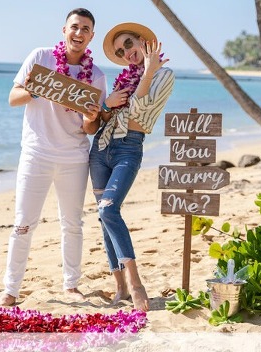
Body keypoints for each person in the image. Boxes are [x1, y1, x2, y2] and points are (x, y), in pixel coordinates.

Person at [0, 8, 107, 306]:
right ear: (64, 30)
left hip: (74, 157)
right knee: (23, 223)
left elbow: (90, 128)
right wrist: (39, 89)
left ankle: (71, 285)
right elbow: (12, 98)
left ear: (91, 36)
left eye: (85, 29)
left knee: (72, 223)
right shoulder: (41, 58)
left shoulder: (96, 76)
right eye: (74, 27)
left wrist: (90, 117)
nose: (78, 33)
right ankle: (11, 289)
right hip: (36, 153)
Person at [89, 22, 174, 311]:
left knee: (108, 209)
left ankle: (136, 283)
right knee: (104, 218)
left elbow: (139, 111)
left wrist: (148, 72)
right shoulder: (122, 80)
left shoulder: (164, 75)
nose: (126, 53)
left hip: (129, 148)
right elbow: (101, 121)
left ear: (143, 41)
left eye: (128, 44)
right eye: (120, 51)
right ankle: (120, 286)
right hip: (101, 150)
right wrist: (107, 105)